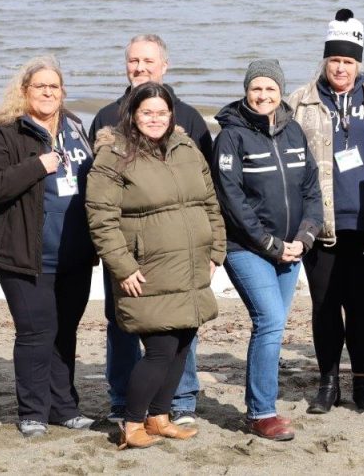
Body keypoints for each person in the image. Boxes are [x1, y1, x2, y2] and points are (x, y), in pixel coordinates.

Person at [86, 82, 225, 450]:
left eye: (161, 112)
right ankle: (132, 424)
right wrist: (122, 266)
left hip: (192, 265)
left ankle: (159, 417)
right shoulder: (114, 154)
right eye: (146, 112)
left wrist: (216, 253)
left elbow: (210, 202)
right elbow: (101, 218)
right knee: (161, 349)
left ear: (171, 115)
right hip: (147, 269)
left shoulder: (186, 147)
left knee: (182, 344)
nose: (154, 119)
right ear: (132, 114)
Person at [288, 10, 364, 412]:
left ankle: (362, 380)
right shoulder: (300, 101)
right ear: (325, 60)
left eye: (348, 60)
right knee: (324, 305)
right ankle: (328, 383)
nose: (341, 67)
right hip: (316, 223)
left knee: (359, 304)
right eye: (334, 60)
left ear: (358, 62)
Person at [0, 56, 95, 438]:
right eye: (39, 86)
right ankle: (32, 412)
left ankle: (64, 407)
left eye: (53, 86)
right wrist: (37, 166)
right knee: (36, 332)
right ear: (24, 92)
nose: (47, 92)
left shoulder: (75, 126)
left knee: (65, 332)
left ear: (63, 93)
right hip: (24, 255)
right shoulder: (5, 133)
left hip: (74, 254)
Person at [212, 60, 323, 440]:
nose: (262, 95)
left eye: (270, 89)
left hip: (291, 250)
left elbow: (312, 190)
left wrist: (305, 237)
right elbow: (231, 200)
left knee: (272, 328)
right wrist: (270, 244)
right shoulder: (230, 137)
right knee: (271, 321)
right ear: (246, 91)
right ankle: (261, 413)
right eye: (256, 88)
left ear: (280, 92)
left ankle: (261, 407)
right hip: (247, 248)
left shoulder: (294, 132)